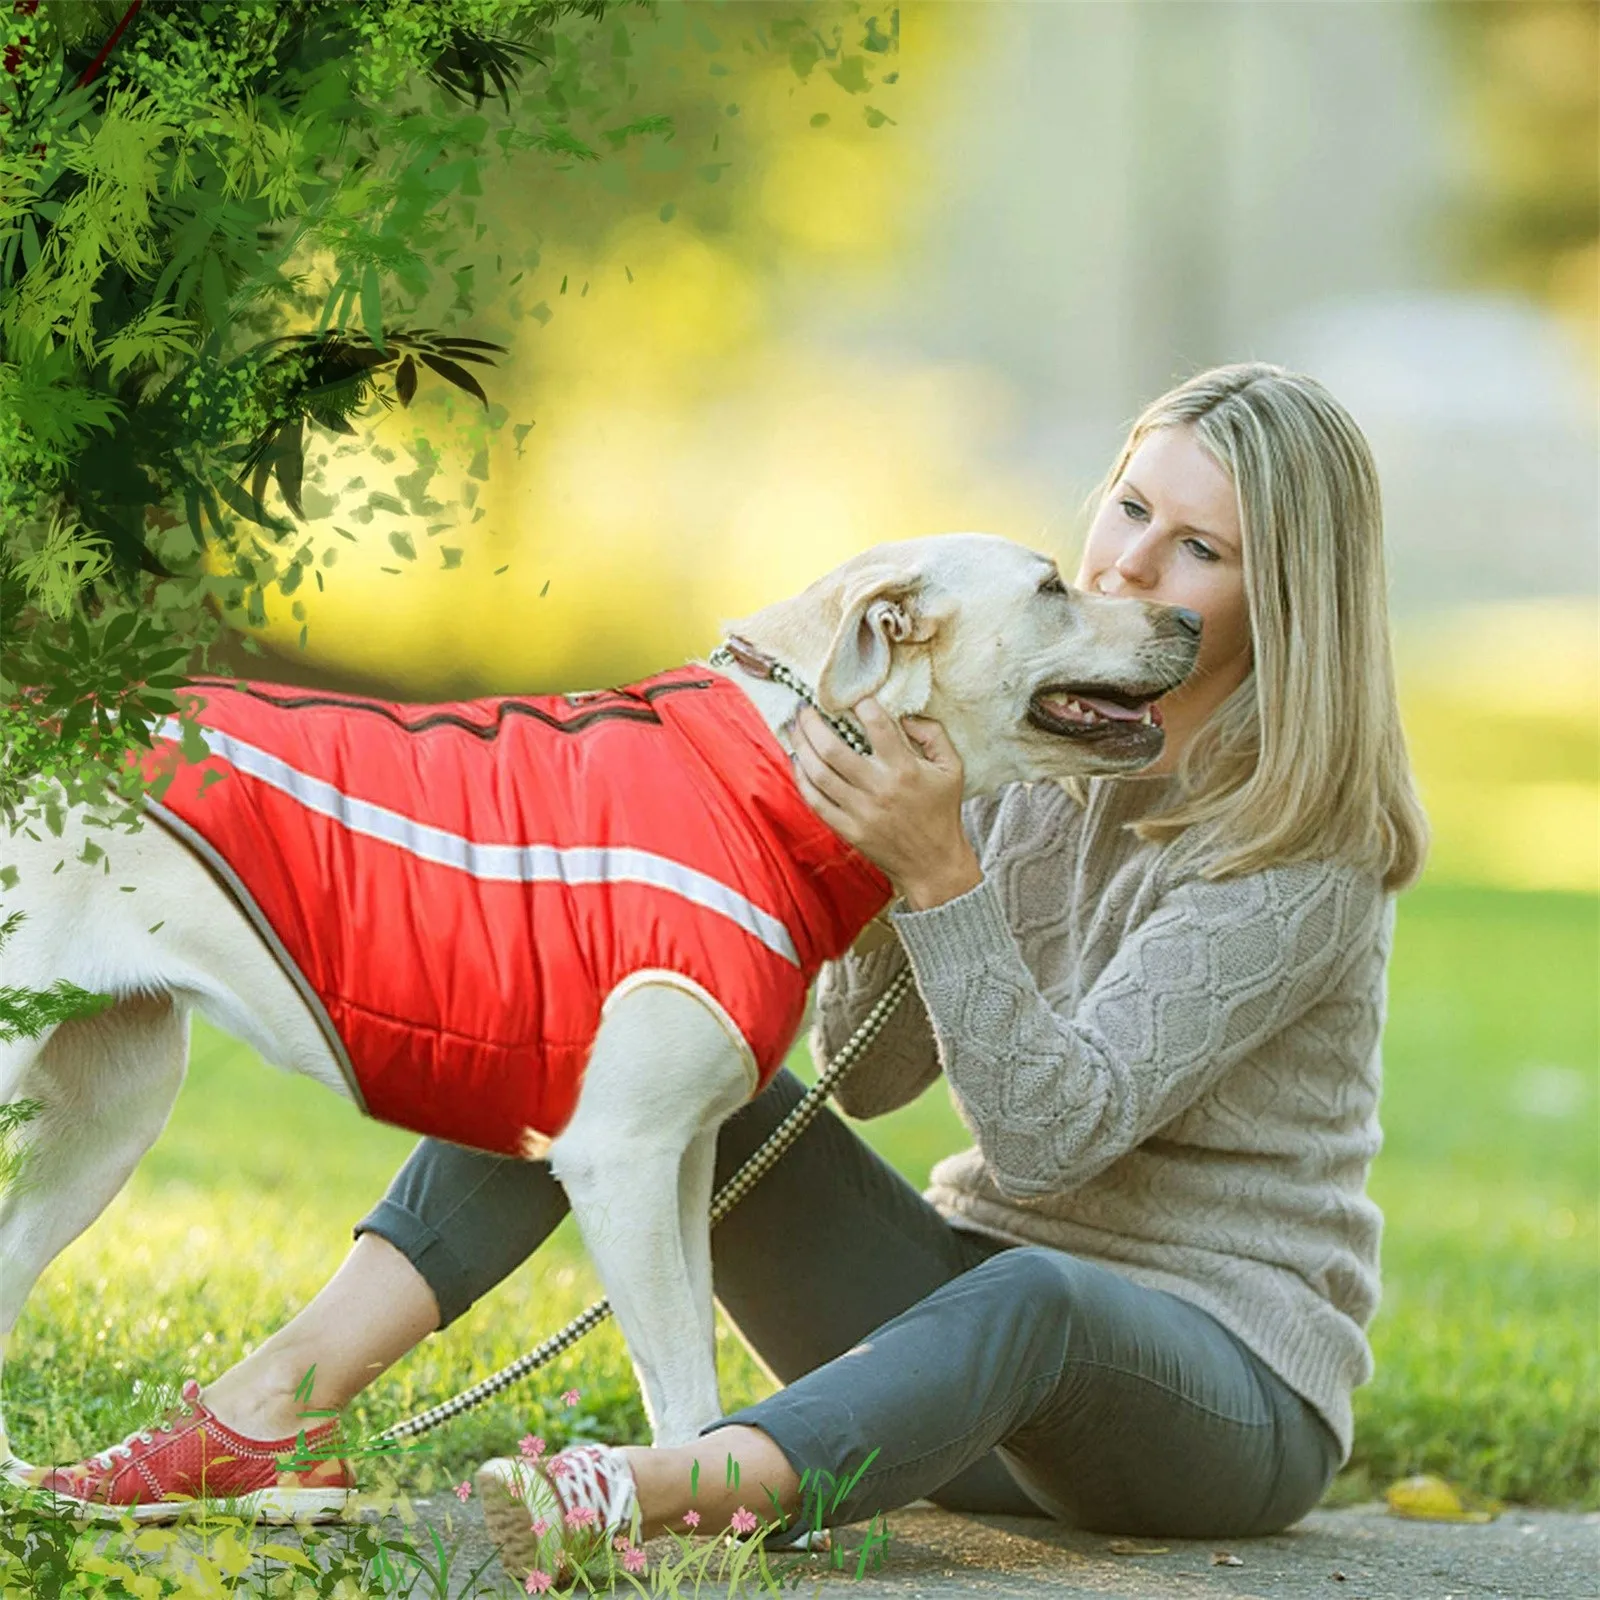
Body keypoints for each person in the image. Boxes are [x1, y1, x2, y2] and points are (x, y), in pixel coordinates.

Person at [37, 364, 1427, 1571]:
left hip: (1213, 1399)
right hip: (946, 1349)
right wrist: (875, 856)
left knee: (1041, 1298)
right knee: (633, 1029)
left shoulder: (1306, 852)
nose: (1127, 568)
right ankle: (269, 1407)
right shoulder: (1033, 744)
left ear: (1282, 599)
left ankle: (670, 1491)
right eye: (1128, 509)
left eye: (1198, 549)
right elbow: (868, 1081)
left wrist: (942, 878)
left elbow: (1049, 1142)